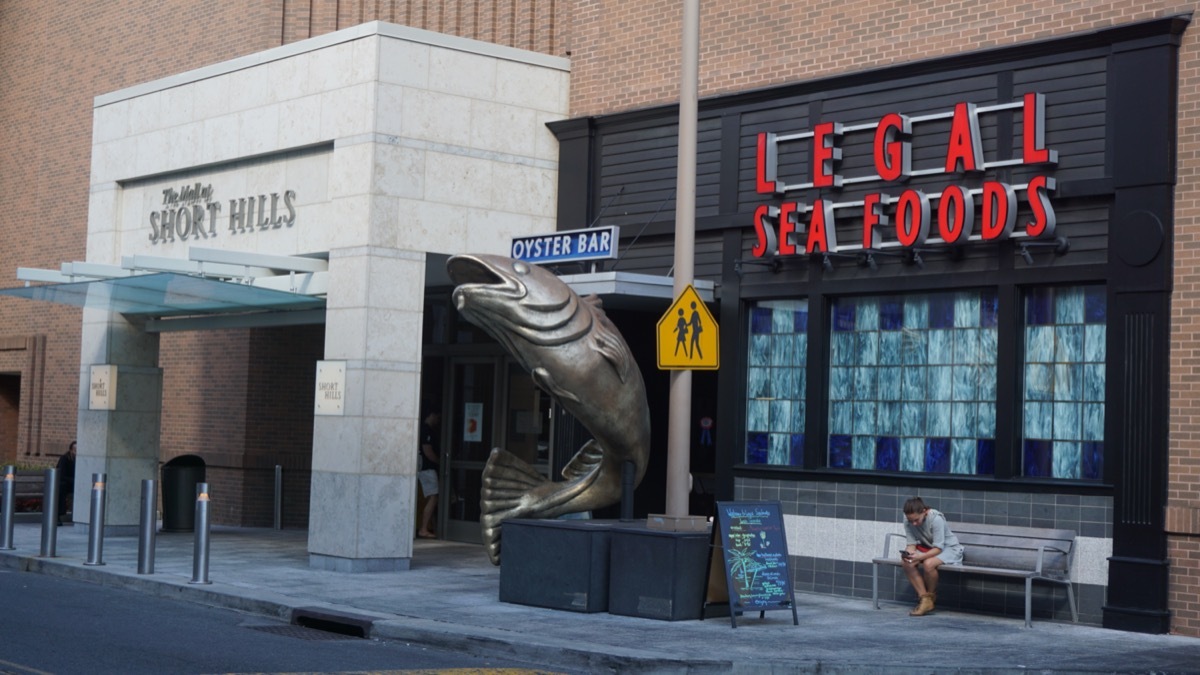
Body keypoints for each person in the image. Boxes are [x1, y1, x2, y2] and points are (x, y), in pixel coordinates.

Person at [900, 496, 964, 616]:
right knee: (907, 563)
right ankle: (925, 599)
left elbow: (938, 548)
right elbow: (911, 544)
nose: (913, 524)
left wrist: (920, 557)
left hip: (949, 549)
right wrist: (908, 554)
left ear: (924, 512)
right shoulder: (907, 520)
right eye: (910, 521)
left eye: (916, 520)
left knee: (929, 564)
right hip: (929, 549)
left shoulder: (936, 519)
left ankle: (930, 595)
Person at [417, 411, 441, 539]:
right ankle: (424, 528)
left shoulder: (423, 429)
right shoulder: (426, 430)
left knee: (430, 497)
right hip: (427, 469)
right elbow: (428, 451)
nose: (437, 420)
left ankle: (428, 527)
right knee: (433, 496)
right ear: (430, 415)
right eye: (437, 416)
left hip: (424, 469)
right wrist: (440, 462)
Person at [56, 441, 77, 525]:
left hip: (76, 484)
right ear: (71, 450)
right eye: (76, 450)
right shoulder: (65, 458)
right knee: (60, 488)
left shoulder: (83, 460)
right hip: (66, 483)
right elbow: (61, 474)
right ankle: (57, 516)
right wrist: (73, 480)